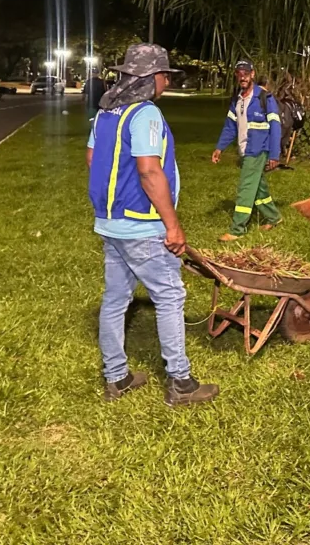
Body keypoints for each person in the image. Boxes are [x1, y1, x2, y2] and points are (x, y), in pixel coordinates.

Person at [87, 43, 219, 406]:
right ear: (150, 78)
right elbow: (148, 169)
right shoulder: (145, 114)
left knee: (115, 299)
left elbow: (92, 158)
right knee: (170, 296)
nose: (165, 81)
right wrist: (172, 225)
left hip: (111, 224)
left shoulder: (106, 113)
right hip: (142, 226)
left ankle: (117, 378)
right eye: (164, 75)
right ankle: (181, 383)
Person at [211, 58, 282, 242]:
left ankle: (237, 229)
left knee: (245, 188)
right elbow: (230, 125)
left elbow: (276, 127)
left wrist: (274, 155)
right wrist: (220, 147)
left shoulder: (265, 98)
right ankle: (274, 217)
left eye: (245, 73)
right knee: (258, 188)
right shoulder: (237, 99)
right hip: (244, 150)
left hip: (257, 150)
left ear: (252, 74)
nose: (242, 77)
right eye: (239, 74)